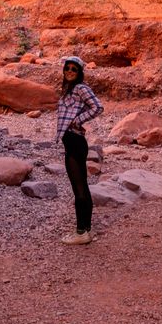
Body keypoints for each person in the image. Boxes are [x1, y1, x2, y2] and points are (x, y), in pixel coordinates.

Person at [56, 55, 104, 245]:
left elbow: (98, 107)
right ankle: (87, 230)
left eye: (74, 69)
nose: (69, 71)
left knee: (79, 189)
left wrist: (77, 120)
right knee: (82, 186)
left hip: (75, 140)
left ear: (79, 72)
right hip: (72, 140)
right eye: (67, 68)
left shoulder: (80, 88)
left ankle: (81, 232)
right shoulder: (68, 89)